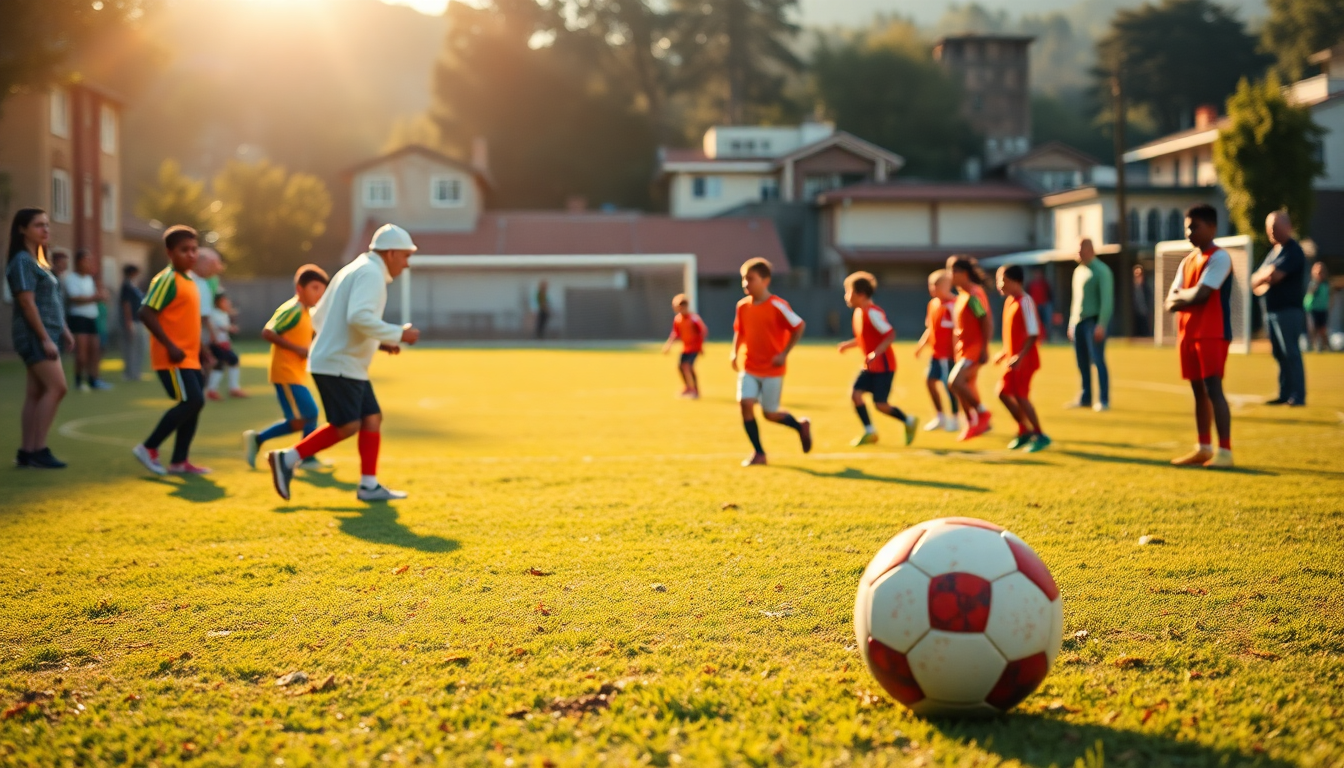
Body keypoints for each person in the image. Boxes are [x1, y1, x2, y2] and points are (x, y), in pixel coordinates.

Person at [267, 224, 422, 502]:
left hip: (342, 363)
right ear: (390, 253)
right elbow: (359, 318)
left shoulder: (354, 268)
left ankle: (368, 485)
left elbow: (318, 317)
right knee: (347, 425)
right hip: (339, 364)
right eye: (405, 256)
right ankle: (287, 458)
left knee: (372, 418)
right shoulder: (371, 274)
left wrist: (380, 341)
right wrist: (399, 334)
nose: (407, 263)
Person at [131, 225, 214, 475]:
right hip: (173, 357)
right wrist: (170, 345)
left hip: (190, 357)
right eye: (183, 250)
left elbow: (187, 321)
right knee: (193, 400)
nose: (190, 255)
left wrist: (202, 350)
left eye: (194, 249)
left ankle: (179, 461)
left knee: (195, 403)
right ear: (170, 253)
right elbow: (145, 312)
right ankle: (148, 447)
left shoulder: (189, 281)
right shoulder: (166, 279)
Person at [1165, 204, 1234, 469]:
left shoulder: (1220, 257)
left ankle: (1225, 451)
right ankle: (1204, 447)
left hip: (1212, 333)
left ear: (1212, 227)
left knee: (1213, 389)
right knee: (1197, 391)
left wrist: (1183, 297)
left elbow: (1202, 294)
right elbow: (1170, 301)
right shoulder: (1187, 261)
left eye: (1195, 227)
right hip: (1189, 333)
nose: (1189, 232)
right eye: (1187, 227)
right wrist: (1185, 298)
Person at [244, 265, 330, 469]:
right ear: (300, 289)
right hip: (285, 372)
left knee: (298, 421)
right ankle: (306, 458)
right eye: (315, 288)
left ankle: (257, 439)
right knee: (310, 413)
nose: (319, 295)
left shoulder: (307, 313)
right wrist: (298, 350)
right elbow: (268, 332)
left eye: (322, 291)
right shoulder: (291, 309)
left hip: (296, 373)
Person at [6, 208, 72, 469]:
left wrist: (63, 329)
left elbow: (50, 302)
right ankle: (38, 450)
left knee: (35, 393)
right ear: (22, 229)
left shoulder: (37, 261)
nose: (45, 229)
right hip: (35, 335)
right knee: (57, 388)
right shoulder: (22, 260)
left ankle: (26, 452)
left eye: (46, 225)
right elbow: (27, 302)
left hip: (48, 332)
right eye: (38, 225)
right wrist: (45, 338)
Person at [730, 257, 810, 467]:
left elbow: (799, 326)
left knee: (770, 414)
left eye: (751, 278)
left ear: (765, 280)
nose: (746, 283)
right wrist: (734, 353)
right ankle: (759, 453)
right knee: (745, 403)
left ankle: (800, 426)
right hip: (750, 366)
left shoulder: (777, 305)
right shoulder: (742, 306)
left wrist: (784, 353)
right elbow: (740, 331)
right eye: (743, 279)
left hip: (773, 370)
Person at [838, 271, 917, 447]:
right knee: (855, 394)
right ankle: (869, 431)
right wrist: (847, 345)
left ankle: (909, 421)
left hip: (884, 366)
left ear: (860, 294)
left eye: (848, 291)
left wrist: (876, 353)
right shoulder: (859, 313)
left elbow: (890, 334)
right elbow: (863, 339)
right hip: (870, 366)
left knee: (881, 405)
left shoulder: (873, 312)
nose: (846, 296)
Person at [1251, 211, 1307, 405]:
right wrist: (1267, 274)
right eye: (1269, 228)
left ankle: (1298, 395)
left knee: (1291, 352)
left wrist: (1267, 275)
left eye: (1275, 227)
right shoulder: (1273, 253)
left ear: (1288, 226)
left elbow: (1275, 276)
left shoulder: (1293, 250)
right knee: (1279, 354)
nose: (1271, 231)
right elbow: (1255, 280)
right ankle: (1285, 393)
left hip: (1288, 311)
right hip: (1272, 311)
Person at [995, 265, 1049, 452]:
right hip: (1013, 360)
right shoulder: (1010, 301)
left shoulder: (1025, 301)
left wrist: (1020, 355)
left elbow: (1033, 333)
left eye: (1002, 280)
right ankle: (1024, 430)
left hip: (1025, 360)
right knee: (1002, 393)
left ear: (1015, 281)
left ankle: (1040, 435)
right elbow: (1014, 334)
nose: (999, 285)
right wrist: (1004, 352)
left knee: (1021, 397)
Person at [948, 256, 994, 441]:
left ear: (964, 273)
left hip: (973, 349)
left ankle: (982, 414)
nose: (950, 275)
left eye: (953, 271)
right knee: (963, 387)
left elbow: (985, 320)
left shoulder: (974, 295)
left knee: (954, 382)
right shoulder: (962, 295)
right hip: (963, 350)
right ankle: (971, 422)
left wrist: (984, 348)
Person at [1066, 238, 1113, 411]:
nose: (1078, 254)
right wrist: (1072, 323)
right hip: (1079, 321)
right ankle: (1085, 397)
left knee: (1098, 360)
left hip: (1093, 321)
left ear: (1089, 249)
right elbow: (1075, 300)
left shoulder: (1101, 271)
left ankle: (1103, 399)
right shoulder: (1078, 271)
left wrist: (1102, 323)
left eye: (1080, 250)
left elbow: (1107, 300)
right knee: (1082, 362)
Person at [913, 269, 959, 432]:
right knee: (929, 381)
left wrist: (957, 351)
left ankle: (956, 418)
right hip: (936, 353)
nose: (933, 289)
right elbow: (930, 329)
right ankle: (940, 417)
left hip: (950, 355)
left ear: (947, 286)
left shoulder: (955, 305)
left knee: (950, 386)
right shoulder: (932, 304)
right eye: (931, 285)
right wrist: (921, 346)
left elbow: (959, 331)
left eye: (936, 285)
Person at [64, 249, 111, 391]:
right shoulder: (71, 278)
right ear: (78, 262)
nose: (89, 263)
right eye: (86, 260)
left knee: (95, 350)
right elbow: (73, 298)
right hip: (79, 318)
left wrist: (101, 296)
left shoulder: (90, 279)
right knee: (82, 354)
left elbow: (97, 296)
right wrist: (94, 298)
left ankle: (94, 380)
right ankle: (79, 381)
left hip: (92, 317)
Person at [661, 293, 707, 398]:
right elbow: (675, 333)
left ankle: (695, 390)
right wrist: (668, 345)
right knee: (681, 367)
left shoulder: (693, 318)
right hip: (686, 348)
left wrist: (701, 346)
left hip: (694, 348)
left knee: (688, 367)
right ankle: (687, 387)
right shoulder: (678, 319)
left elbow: (702, 331)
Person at [205, 292, 247, 400]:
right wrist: (231, 328)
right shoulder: (215, 313)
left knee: (224, 364)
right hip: (216, 344)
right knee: (230, 361)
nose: (227, 303)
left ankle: (216, 390)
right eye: (224, 301)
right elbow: (221, 327)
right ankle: (228, 389)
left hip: (223, 344)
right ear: (217, 303)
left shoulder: (223, 313)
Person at [119, 264, 147, 381]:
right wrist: (129, 322)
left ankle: (136, 372)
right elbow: (126, 305)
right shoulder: (126, 286)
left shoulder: (135, 286)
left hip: (139, 320)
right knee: (131, 348)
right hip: (132, 321)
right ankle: (129, 373)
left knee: (140, 347)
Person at [1305, 262, 1332, 352]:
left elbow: (1329, 296)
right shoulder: (1313, 283)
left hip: (1322, 309)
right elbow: (1310, 294)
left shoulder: (1326, 284)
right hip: (1313, 309)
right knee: (1313, 328)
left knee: (1323, 328)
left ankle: (1326, 345)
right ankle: (1313, 345)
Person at [1026, 269, 1053, 342]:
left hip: (1044, 305)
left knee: (1046, 322)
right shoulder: (1031, 284)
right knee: (1037, 323)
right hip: (1035, 306)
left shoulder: (1045, 283)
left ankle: (1047, 338)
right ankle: (1038, 338)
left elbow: (1049, 294)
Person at [1132, 265, 1152, 338]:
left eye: (1139, 274)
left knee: (1145, 331)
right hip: (1134, 313)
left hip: (1144, 312)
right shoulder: (1131, 286)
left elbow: (1149, 298)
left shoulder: (1146, 286)